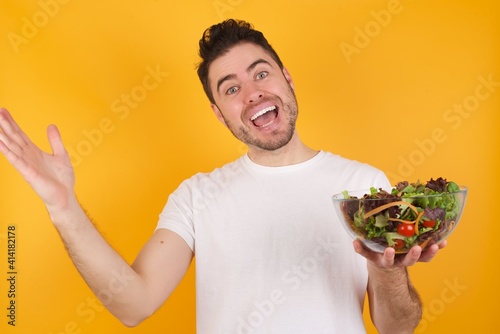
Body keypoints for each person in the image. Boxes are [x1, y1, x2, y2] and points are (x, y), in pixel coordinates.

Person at [0, 19, 443, 333]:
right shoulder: (196, 197)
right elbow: (132, 305)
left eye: (261, 74)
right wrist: (63, 207)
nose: (252, 94)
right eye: (231, 88)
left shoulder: (365, 186)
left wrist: (388, 274)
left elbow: (396, 328)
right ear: (218, 112)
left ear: (287, 79)